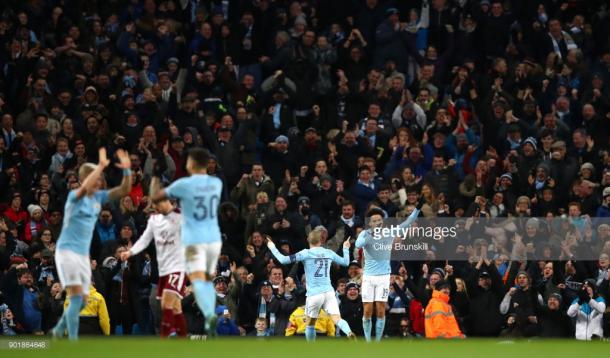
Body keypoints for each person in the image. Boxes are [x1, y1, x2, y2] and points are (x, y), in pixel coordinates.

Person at [52, 148, 132, 340]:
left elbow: (123, 190)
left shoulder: (97, 197)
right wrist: (101, 166)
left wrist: (127, 170)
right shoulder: (74, 196)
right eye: (97, 177)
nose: (100, 180)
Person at [151, 148, 223, 336]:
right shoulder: (216, 183)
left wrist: (157, 175)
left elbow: (157, 197)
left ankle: (208, 314)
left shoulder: (183, 184)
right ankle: (209, 314)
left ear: (190, 164)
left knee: (197, 279)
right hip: (214, 238)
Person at [121, 177, 187, 338]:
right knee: (174, 307)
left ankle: (166, 339)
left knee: (167, 303)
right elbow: (144, 240)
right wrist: (130, 252)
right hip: (161, 274)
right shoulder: (153, 222)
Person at [355, 196, 425, 342]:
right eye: (374, 221)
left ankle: (378, 341)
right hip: (368, 276)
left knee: (381, 309)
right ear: (370, 223)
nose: (377, 222)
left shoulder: (389, 232)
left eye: (379, 220)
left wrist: (418, 207)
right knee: (368, 311)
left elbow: (408, 223)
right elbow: (358, 244)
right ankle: (368, 342)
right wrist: (370, 234)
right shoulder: (364, 234)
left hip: (383, 277)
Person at [266, 230, 355, 341]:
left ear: (308, 239)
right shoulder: (329, 252)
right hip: (329, 292)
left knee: (310, 324)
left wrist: (272, 246)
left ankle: (311, 349)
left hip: (314, 294)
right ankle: (349, 332)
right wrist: (346, 248)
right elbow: (346, 262)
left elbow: (283, 260)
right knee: (337, 318)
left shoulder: (305, 253)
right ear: (321, 241)